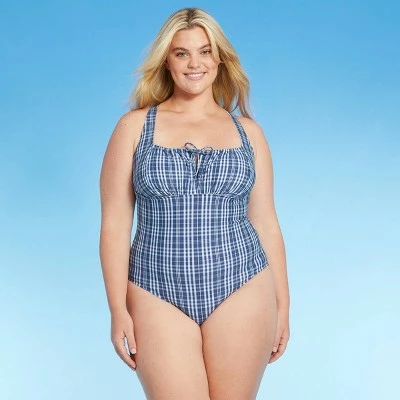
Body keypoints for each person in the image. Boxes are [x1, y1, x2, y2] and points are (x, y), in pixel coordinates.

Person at [99, 7, 290, 399]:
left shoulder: (249, 133)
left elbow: (266, 222)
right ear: (166, 61)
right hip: (154, 289)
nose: (194, 63)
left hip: (242, 285)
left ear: (219, 60)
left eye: (205, 52)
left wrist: (283, 305)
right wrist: (117, 308)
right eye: (181, 53)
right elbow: (115, 223)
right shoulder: (134, 127)